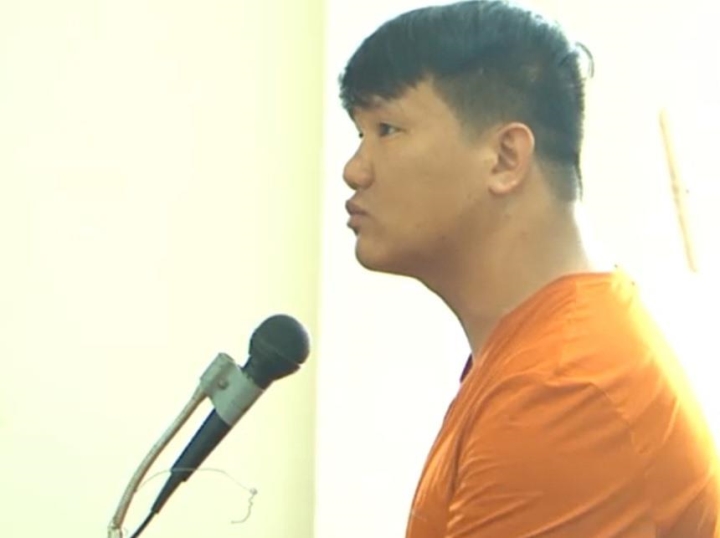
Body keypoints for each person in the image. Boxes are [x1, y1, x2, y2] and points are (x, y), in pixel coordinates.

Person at [338, 1, 720, 536]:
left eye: (387, 129)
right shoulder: (539, 353)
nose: (354, 170)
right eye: (359, 135)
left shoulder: (566, 389)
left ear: (505, 157)